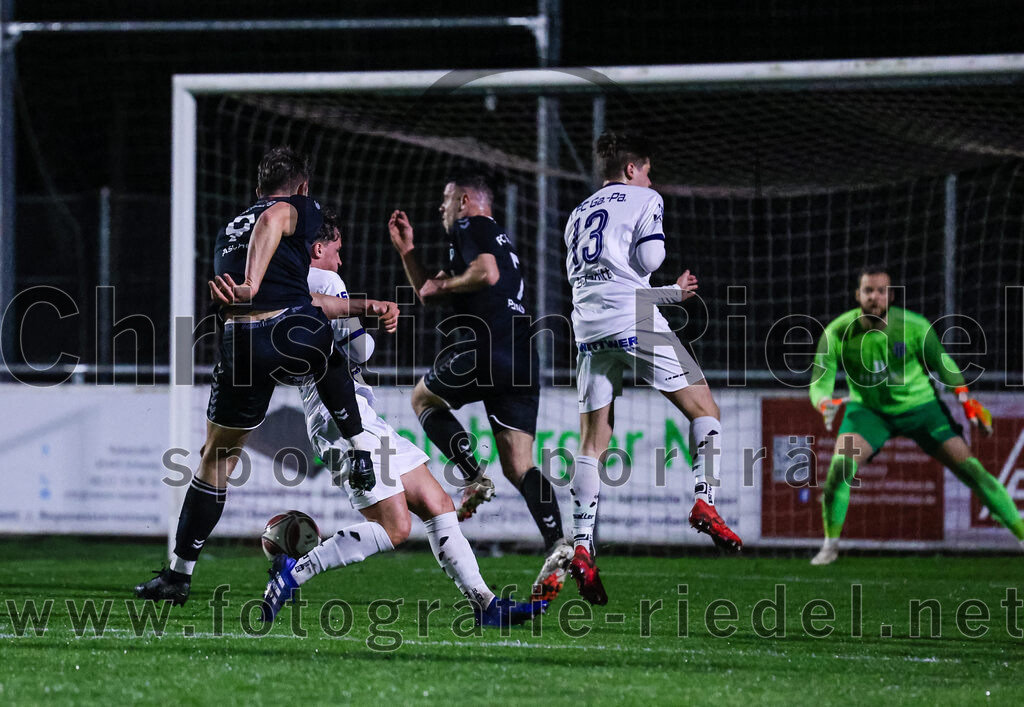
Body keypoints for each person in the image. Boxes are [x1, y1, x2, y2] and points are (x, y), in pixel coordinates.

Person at [256, 211, 545, 626]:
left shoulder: (291, 286)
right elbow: (360, 352)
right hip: (344, 420)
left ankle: (485, 604)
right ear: (318, 249)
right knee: (395, 527)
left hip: (351, 414)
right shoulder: (326, 283)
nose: (341, 261)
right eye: (336, 251)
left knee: (437, 502)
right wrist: (371, 321)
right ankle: (294, 572)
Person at [134, 147, 394, 606]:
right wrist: (254, 284)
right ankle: (360, 450)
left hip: (240, 345)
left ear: (255, 189)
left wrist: (361, 305)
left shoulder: (229, 227)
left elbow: (257, 266)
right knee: (329, 350)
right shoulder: (294, 207)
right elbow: (275, 219)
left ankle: (178, 575)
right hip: (286, 329)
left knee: (216, 459)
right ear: (303, 187)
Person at [563, 131, 742, 606]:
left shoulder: (578, 213)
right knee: (705, 407)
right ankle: (705, 500)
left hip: (586, 328)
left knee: (592, 443)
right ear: (631, 169)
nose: (650, 177)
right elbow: (649, 259)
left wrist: (663, 294)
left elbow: (595, 281)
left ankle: (581, 546)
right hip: (635, 317)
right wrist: (673, 292)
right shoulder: (645, 197)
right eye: (647, 170)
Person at [387, 175, 572, 601]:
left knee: (422, 398)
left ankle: (473, 477)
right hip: (524, 357)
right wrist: (408, 251)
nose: (442, 210)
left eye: (447, 200)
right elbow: (427, 293)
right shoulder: (491, 242)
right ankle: (558, 542)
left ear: (467, 201)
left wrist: (447, 284)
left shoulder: (474, 228)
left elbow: (484, 275)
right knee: (520, 465)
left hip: (489, 346)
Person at [809, 265, 1024, 565]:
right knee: (838, 469)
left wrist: (965, 399)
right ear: (858, 295)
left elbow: (943, 363)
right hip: (868, 413)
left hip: (922, 410)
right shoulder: (836, 333)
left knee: (972, 470)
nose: (875, 297)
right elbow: (819, 383)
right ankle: (830, 545)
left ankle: (1022, 534)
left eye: (881, 291)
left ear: (891, 296)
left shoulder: (914, 326)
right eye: (868, 291)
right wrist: (822, 403)